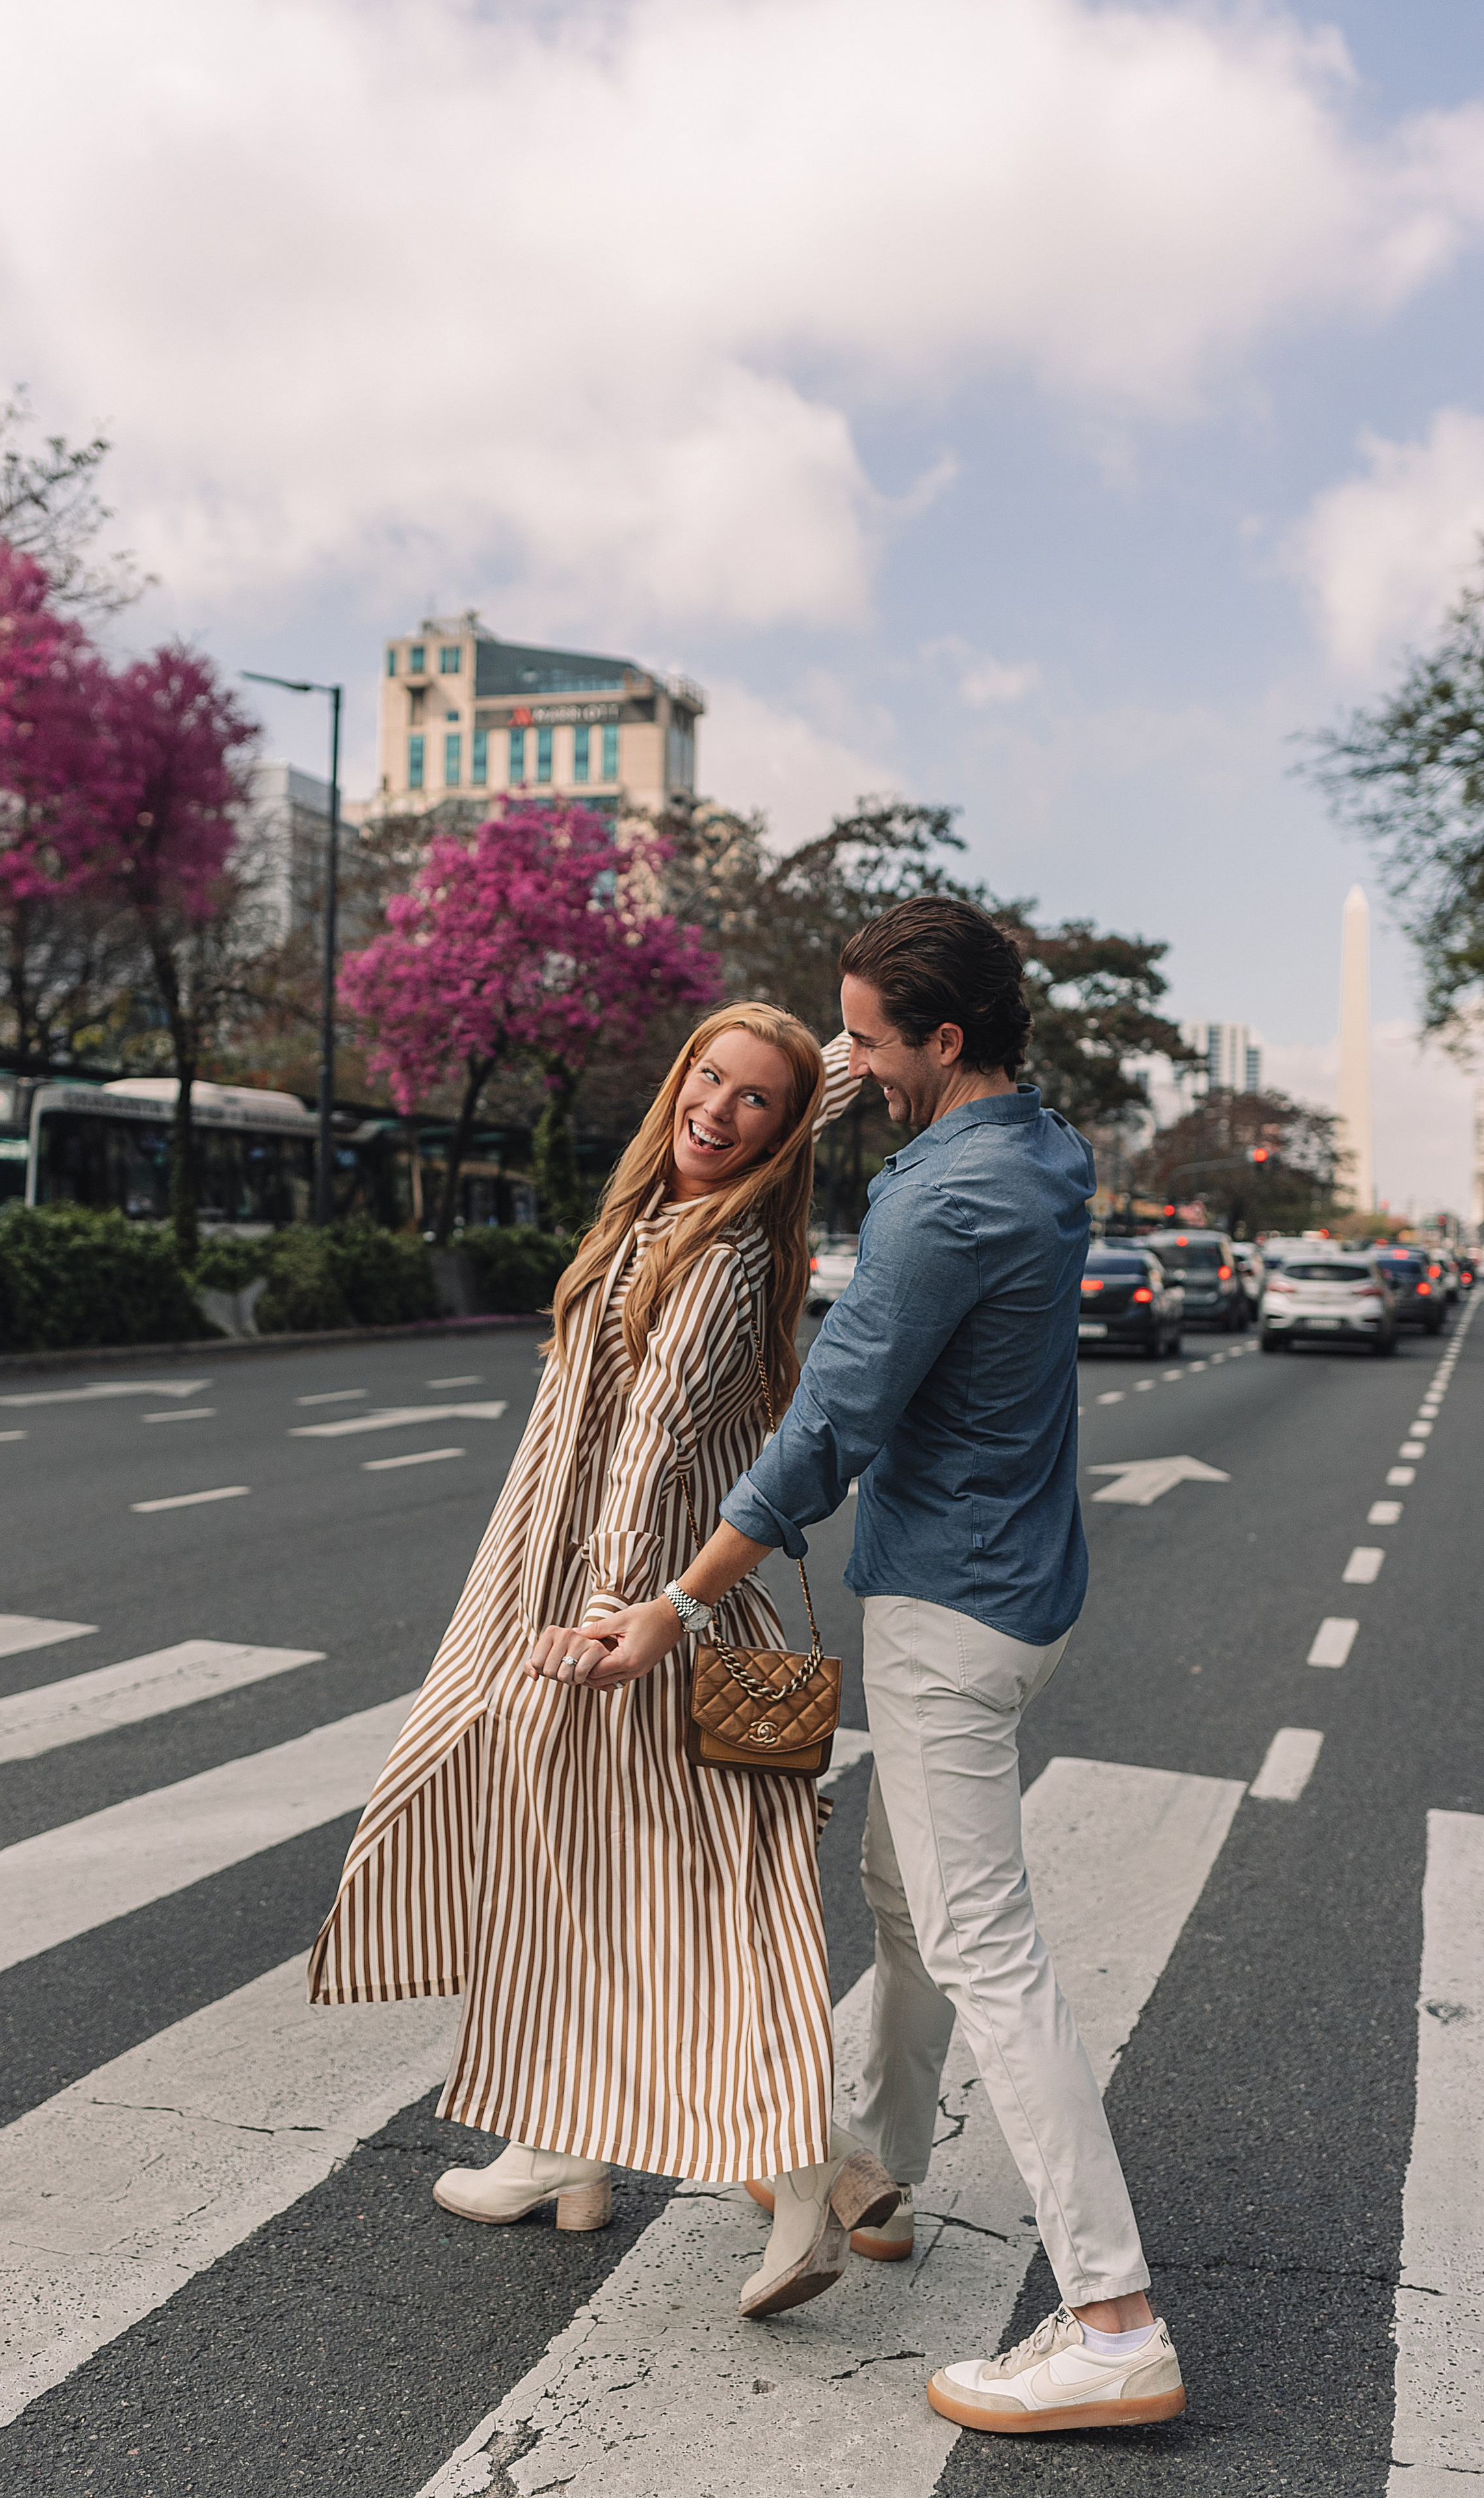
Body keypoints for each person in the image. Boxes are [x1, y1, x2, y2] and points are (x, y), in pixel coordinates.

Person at [551, 896, 1187, 2435]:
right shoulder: (1039, 1147)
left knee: (979, 1946)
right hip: (1023, 1595)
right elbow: (896, 1105)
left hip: (946, 1612)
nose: (849, 1062)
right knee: (908, 1902)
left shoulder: (935, 1207)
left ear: (945, 1040)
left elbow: (825, 1427)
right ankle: (873, 2176)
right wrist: (832, 1074)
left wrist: (676, 1609)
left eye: (867, 1040)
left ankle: (1109, 2316)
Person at [310, 1002, 899, 2319]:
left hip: (627, 1623)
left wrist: (612, 1610)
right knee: (567, 1868)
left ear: (777, 1135)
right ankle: (566, 2147)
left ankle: (802, 2183)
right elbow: (803, 1083)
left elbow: (653, 1442)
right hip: (564, 1597)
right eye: (706, 1076)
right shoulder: (651, 1215)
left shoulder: (725, 1251)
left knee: (693, 1910)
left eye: (754, 1102)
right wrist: (844, 1056)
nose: (717, 1109)